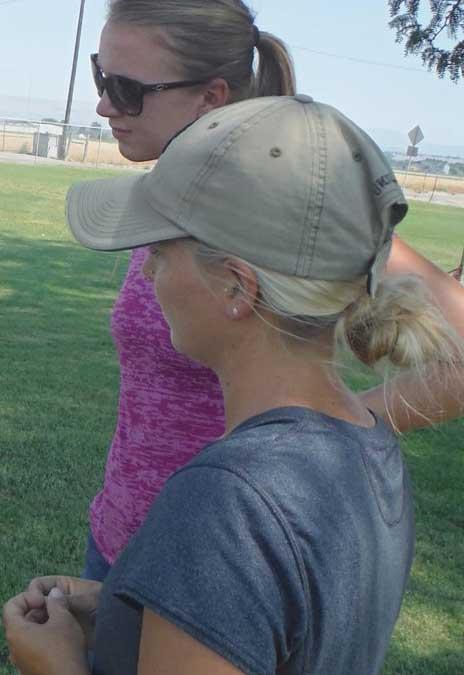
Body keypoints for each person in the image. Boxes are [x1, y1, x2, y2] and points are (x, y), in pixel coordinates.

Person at [4, 95, 464, 675]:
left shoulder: (224, 505)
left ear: (236, 289)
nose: (147, 272)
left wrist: (54, 667)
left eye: (163, 251)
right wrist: (134, 606)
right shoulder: (367, 446)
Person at [79, 0, 464, 582]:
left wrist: (343, 424)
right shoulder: (164, 200)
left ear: (210, 96)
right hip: (124, 535)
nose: (105, 103)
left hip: (230, 549)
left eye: (127, 88)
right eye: (101, 76)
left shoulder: (286, 215)